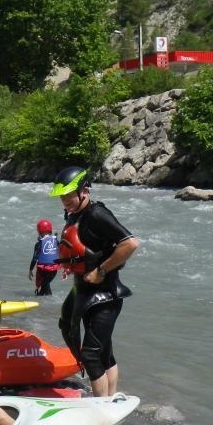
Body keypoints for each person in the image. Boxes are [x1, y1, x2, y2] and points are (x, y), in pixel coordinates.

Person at [49, 166, 139, 397]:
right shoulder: (74, 213)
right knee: (98, 347)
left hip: (105, 295)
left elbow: (130, 244)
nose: (65, 200)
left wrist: (100, 270)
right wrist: (70, 266)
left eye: (69, 195)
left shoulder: (97, 214)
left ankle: (101, 406)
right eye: (62, 196)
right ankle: (109, 401)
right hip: (83, 289)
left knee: (91, 353)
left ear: (84, 190)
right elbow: (81, 246)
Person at [28, 219, 60, 296]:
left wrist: (30, 270)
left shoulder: (38, 244)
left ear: (39, 231)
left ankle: (45, 301)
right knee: (45, 285)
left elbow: (35, 258)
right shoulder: (56, 241)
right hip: (54, 270)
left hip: (43, 270)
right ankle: (45, 301)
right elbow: (61, 254)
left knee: (44, 287)